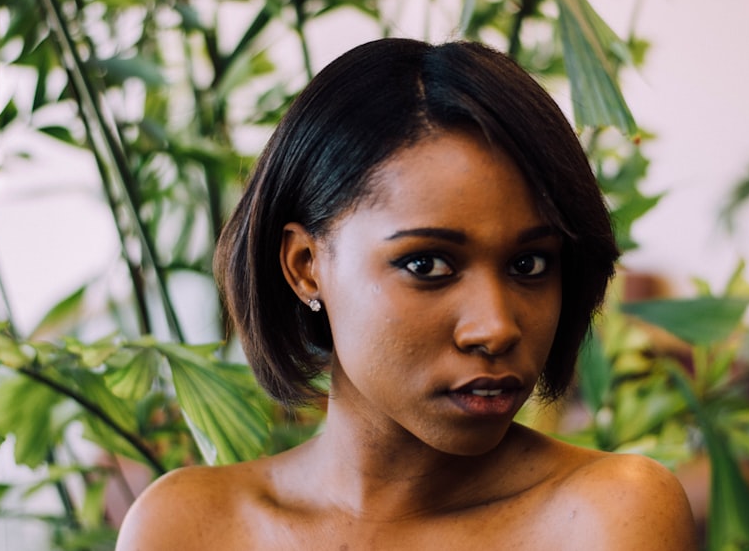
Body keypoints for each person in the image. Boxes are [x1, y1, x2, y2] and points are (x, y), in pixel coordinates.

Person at [116, 38, 697, 550]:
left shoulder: (606, 516)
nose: (495, 327)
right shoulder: (184, 528)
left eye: (529, 263)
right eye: (427, 264)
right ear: (305, 267)